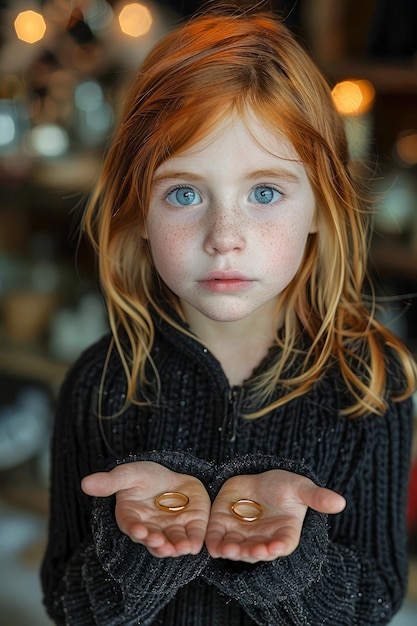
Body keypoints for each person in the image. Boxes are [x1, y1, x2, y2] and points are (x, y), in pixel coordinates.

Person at [41, 4, 417, 625]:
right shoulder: (101, 384)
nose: (224, 236)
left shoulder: (370, 386)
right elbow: (66, 603)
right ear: (135, 214)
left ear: (322, 208)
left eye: (264, 192)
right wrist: (146, 549)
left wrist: (283, 558)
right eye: (184, 193)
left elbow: (374, 601)